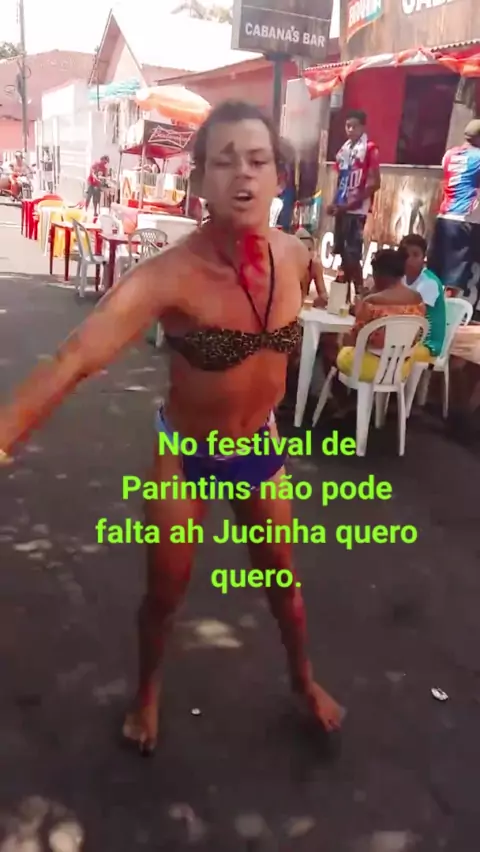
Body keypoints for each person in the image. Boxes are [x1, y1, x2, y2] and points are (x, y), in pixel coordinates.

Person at [0, 100, 343, 754]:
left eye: (258, 160)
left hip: (260, 449)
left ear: (279, 175)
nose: (243, 174)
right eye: (225, 161)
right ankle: (147, 693)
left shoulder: (295, 254)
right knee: (164, 595)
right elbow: (75, 357)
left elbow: (311, 292)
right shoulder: (168, 276)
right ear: (201, 180)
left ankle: (303, 680)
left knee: (283, 584)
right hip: (185, 456)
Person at [334, 248, 425, 385]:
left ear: (378, 273)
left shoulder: (372, 302)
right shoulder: (418, 300)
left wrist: (359, 309)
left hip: (371, 367)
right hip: (401, 369)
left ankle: (344, 394)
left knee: (339, 347)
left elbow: (355, 338)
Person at [327, 110, 380, 297]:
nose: (350, 130)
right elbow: (340, 180)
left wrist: (349, 206)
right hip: (342, 208)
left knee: (352, 254)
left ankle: (358, 294)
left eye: (354, 126)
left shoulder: (370, 149)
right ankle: (343, 297)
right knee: (342, 253)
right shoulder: (344, 151)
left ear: (363, 127)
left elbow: (374, 183)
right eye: (347, 126)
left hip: (357, 211)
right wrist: (334, 203)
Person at [428, 120, 480, 295]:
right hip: (466, 219)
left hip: (445, 216)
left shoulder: (449, 155)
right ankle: (449, 310)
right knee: (455, 278)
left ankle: (430, 308)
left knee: (435, 274)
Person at [399, 234, 446, 361]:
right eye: (405, 255)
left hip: (428, 344)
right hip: (405, 337)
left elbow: (413, 316)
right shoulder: (401, 278)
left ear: (423, 257)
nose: (410, 260)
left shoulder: (429, 282)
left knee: (388, 351)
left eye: (415, 255)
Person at [295, 228, 328, 305]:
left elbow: (323, 295)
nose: (307, 253)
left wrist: (314, 302)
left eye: (309, 249)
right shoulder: (288, 264)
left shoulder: (315, 265)